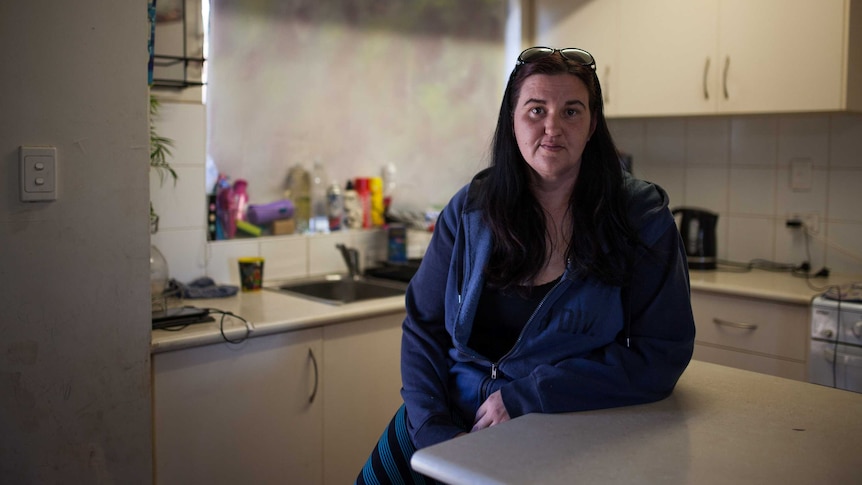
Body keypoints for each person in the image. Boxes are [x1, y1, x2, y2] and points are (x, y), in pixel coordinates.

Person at [355, 46, 695, 484]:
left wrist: (525, 397)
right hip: (439, 421)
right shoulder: (471, 209)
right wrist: (431, 427)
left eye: (572, 111)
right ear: (512, 121)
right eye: (536, 110)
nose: (553, 127)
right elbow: (423, 324)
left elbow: (660, 353)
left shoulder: (639, 217)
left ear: (592, 124)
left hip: (558, 427)